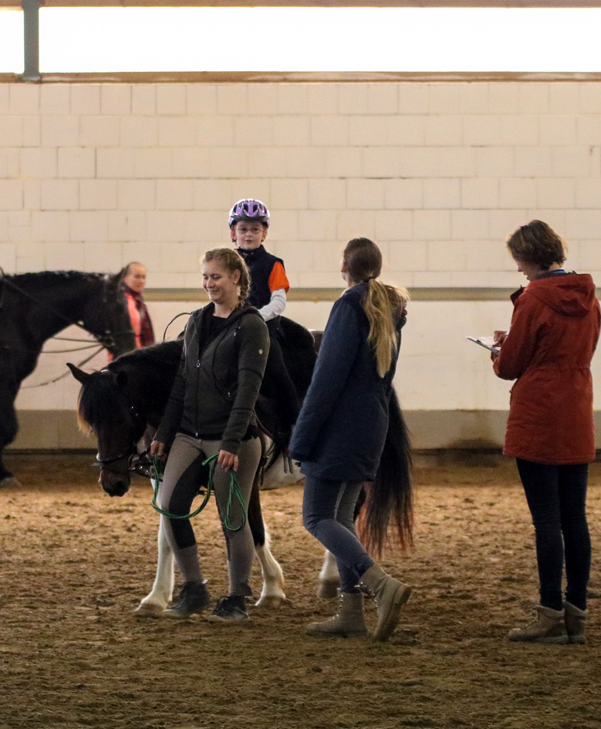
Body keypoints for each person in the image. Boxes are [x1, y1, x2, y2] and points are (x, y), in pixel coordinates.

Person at [290, 238, 413, 642]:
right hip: (371, 424)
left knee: (317, 517)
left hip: (339, 428)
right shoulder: (387, 309)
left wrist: (302, 438)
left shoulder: (348, 307)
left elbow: (326, 380)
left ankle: (380, 584)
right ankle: (350, 612)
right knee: (342, 518)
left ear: (345, 265)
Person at [491, 220, 601, 645]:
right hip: (576, 409)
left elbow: (511, 366)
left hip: (538, 413)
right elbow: (582, 349)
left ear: (527, 257)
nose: (518, 269)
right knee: (575, 518)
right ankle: (577, 613)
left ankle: (549, 612)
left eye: (518, 260)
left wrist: (500, 349)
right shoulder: (589, 298)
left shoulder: (533, 298)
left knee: (546, 521)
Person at [147, 248, 269, 623]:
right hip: (189, 433)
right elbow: (182, 382)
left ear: (235, 277)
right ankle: (195, 587)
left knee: (233, 519)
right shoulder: (197, 321)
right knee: (169, 508)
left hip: (231, 439)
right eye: (204, 277)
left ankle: (237, 598)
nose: (208, 284)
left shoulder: (251, 325)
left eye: (215, 276)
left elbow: (249, 388)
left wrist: (231, 443)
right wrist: (165, 434)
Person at [229, 199, 290, 324]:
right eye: (243, 229)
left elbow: (279, 301)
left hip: (263, 324)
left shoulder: (273, 264)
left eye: (255, 229)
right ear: (233, 233)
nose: (249, 234)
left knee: (304, 338)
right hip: (231, 321)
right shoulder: (225, 263)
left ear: (264, 234)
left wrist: (257, 317)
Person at [119, 261, 156, 354]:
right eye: (137, 276)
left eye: (143, 277)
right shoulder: (122, 301)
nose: (141, 281)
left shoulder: (138, 300)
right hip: (129, 354)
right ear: (125, 278)